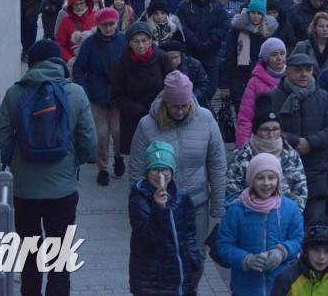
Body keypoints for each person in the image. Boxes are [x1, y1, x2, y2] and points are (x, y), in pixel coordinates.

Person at [0, 40, 97, 296]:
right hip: (63, 190)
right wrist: (74, 162)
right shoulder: (76, 92)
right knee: (60, 256)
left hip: (25, 190)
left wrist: (5, 170)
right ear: (58, 62)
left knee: (30, 254)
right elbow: (89, 140)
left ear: (32, 63)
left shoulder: (15, 93)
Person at [128, 70, 228, 280]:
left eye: (184, 106)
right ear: (166, 103)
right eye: (175, 107)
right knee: (163, 255)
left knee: (196, 255)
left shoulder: (207, 119)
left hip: (196, 201)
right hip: (161, 203)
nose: (180, 111)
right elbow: (137, 167)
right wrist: (140, 203)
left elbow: (217, 163)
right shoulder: (147, 125)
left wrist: (218, 204)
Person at [259, 53, 328, 221]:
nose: (304, 74)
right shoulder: (273, 97)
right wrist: (295, 141)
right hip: (282, 174)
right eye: (298, 70)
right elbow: (265, 131)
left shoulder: (323, 97)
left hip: (316, 174)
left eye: (308, 70)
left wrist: (311, 142)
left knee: (314, 221)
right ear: (287, 72)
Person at [217, 152, 305, 296]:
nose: (266, 183)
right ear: (251, 180)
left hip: (280, 287)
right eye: (260, 178)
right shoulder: (236, 211)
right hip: (244, 289)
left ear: (278, 179)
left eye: (271, 177)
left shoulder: (290, 208)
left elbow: (298, 239)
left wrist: (283, 251)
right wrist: (246, 259)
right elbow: (224, 245)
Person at [128, 141, 202, 296]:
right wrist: (159, 209)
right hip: (151, 279)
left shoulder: (181, 196)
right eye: (154, 170)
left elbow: (190, 232)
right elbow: (149, 239)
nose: (160, 176)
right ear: (147, 171)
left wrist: (193, 258)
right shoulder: (138, 198)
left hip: (180, 276)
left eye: (164, 170)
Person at [73, 7, 128, 185]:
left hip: (119, 95)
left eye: (111, 24)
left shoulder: (124, 40)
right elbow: (79, 68)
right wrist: (83, 90)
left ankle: (119, 156)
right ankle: (103, 168)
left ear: (117, 23)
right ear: (99, 25)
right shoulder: (89, 43)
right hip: (97, 95)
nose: (109, 28)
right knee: (101, 135)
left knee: (119, 131)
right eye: (105, 25)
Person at [226, 106, 309, 211]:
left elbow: (300, 190)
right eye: (265, 130)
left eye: (275, 129)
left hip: (283, 218)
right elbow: (232, 191)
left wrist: (291, 216)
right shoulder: (241, 156)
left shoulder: (291, 155)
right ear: (256, 130)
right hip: (250, 218)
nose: (271, 135)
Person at [110, 22, 172, 156]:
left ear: (150, 41)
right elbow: (116, 95)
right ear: (130, 43)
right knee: (138, 156)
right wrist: (133, 108)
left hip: (159, 113)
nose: (141, 45)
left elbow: (171, 84)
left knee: (161, 154)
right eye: (136, 42)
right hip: (133, 117)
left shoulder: (161, 58)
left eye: (144, 41)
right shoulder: (120, 64)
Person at [272, 217, 328, 296]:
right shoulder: (287, 278)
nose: (321, 257)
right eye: (316, 250)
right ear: (306, 250)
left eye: (327, 251)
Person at [176, 0, 229, 89]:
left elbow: (224, 25)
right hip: (192, 52)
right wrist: (195, 42)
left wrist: (212, 40)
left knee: (212, 85)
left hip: (211, 51)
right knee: (191, 85)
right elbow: (182, 27)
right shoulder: (183, 6)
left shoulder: (217, 5)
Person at [160, 40, 214, 107]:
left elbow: (205, 86)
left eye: (176, 57)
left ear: (181, 55)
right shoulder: (160, 67)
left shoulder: (194, 65)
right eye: (170, 59)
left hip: (192, 103)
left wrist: (189, 98)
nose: (173, 61)